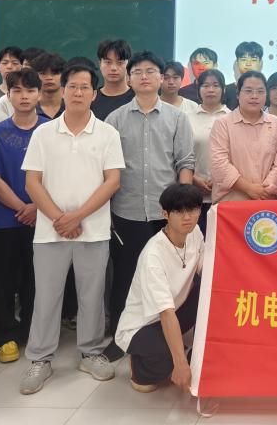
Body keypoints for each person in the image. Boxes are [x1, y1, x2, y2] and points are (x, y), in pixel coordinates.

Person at [19, 63, 124, 395]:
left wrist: (77, 216)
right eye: (73, 86)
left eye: (85, 87)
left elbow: (113, 181)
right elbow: (32, 182)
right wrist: (59, 218)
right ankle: (40, 358)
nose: (78, 92)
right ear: (62, 91)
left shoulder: (107, 134)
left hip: (93, 230)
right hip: (50, 232)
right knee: (46, 296)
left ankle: (90, 353)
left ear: (94, 94)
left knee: (92, 295)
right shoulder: (43, 133)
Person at [106, 51, 195, 340]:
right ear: (129, 79)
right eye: (137, 72)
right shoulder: (115, 119)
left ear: (161, 78)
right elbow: (107, 168)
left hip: (164, 213)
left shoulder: (177, 118)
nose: (144, 77)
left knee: (166, 276)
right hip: (126, 210)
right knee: (126, 274)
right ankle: (121, 334)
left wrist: (181, 207)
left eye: (150, 71)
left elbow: (185, 162)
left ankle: (162, 334)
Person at [114, 184, 205, 394]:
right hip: (143, 324)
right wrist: (180, 363)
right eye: (179, 211)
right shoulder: (153, 255)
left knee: (209, 292)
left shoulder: (194, 232)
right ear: (165, 214)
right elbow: (165, 312)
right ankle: (138, 367)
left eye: (192, 210)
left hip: (176, 308)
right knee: (166, 362)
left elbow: (206, 269)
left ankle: (182, 349)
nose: (187, 217)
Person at [0, 68, 49, 364]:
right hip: (5, 220)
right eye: (17, 91)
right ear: (8, 95)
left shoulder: (52, 129)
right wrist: (21, 208)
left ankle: (32, 332)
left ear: (39, 94)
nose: (24, 96)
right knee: (3, 281)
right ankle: (5, 337)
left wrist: (37, 206)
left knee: (36, 280)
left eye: (30, 90)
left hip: (44, 218)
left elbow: (58, 174)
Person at [210, 70, 277, 202]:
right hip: (231, 202)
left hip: (266, 201)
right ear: (238, 94)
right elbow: (219, 163)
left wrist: (263, 190)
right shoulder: (222, 124)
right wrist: (249, 188)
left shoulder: (276, 124)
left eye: (260, 91)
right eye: (248, 91)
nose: (254, 96)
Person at [188, 68, 228, 231]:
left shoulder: (232, 117)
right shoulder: (187, 118)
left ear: (223, 89)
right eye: (205, 85)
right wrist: (194, 178)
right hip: (194, 194)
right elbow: (180, 154)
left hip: (226, 195)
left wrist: (219, 178)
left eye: (216, 85)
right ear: (198, 89)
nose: (211, 90)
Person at [92, 39, 135, 120]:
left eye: (120, 62)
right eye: (108, 62)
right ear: (100, 64)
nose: (113, 68)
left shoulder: (138, 97)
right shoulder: (91, 98)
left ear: (129, 65)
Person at [30, 53, 66, 120]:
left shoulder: (72, 106)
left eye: (55, 73)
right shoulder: (28, 108)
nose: (49, 78)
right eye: (43, 73)